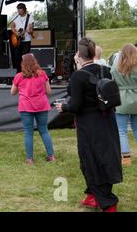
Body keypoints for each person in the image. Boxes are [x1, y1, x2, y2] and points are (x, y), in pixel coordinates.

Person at [55, 37, 122, 212]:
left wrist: (63, 107)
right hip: (108, 120)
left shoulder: (78, 76)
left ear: (79, 55)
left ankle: (107, 202)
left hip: (89, 124)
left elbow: (76, 105)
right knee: (104, 157)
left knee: (91, 160)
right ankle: (93, 195)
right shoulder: (105, 70)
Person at [11, 53, 55, 164]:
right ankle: (51, 156)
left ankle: (29, 159)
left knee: (28, 132)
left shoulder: (19, 76)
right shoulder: (43, 74)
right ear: (35, 62)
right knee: (44, 130)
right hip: (42, 105)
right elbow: (49, 91)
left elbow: (12, 92)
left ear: (23, 64)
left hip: (26, 107)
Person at [111, 44, 137, 166]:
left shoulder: (116, 67)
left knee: (121, 130)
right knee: (136, 129)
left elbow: (112, 81)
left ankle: (126, 157)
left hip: (122, 99)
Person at [10, 3, 34, 72]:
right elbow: (12, 26)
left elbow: (31, 30)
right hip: (17, 40)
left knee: (25, 58)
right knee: (17, 58)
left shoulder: (30, 17)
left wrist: (29, 31)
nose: (19, 12)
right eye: (18, 11)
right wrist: (15, 32)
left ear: (24, 10)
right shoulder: (15, 16)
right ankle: (18, 73)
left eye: (20, 11)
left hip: (26, 41)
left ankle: (26, 72)